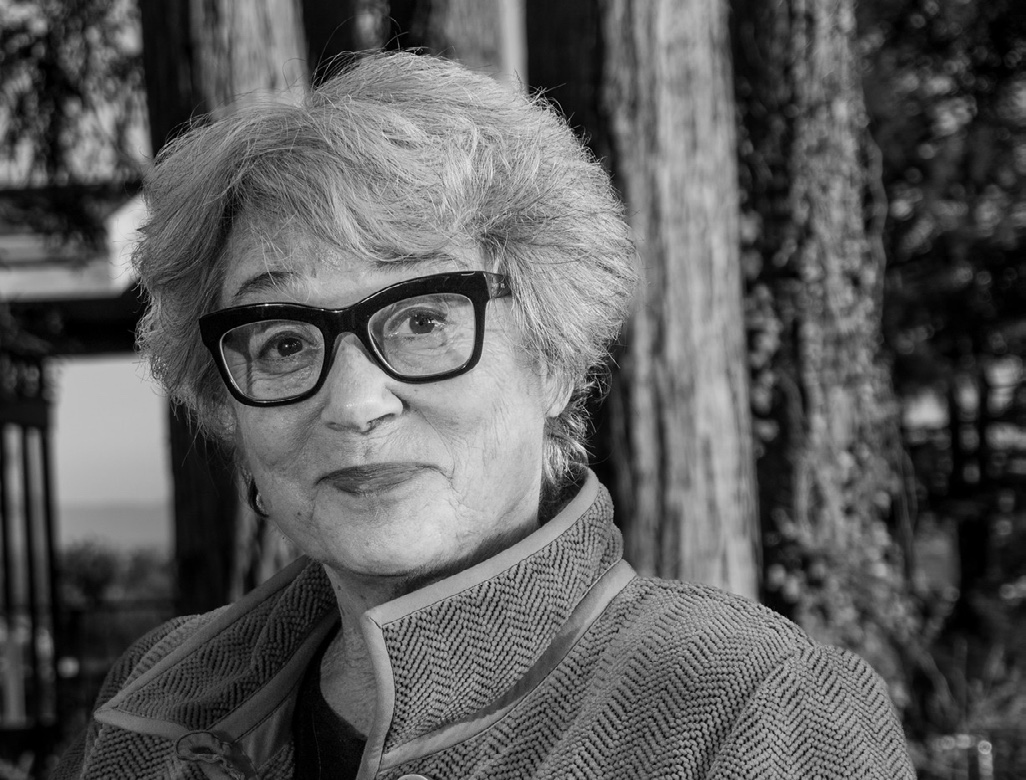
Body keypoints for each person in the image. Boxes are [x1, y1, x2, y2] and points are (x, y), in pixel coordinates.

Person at [56, 51, 914, 780]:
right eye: (283, 342)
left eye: (423, 322)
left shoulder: (749, 704)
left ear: (554, 361)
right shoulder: (156, 705)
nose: (355, 405)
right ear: (226, 407)